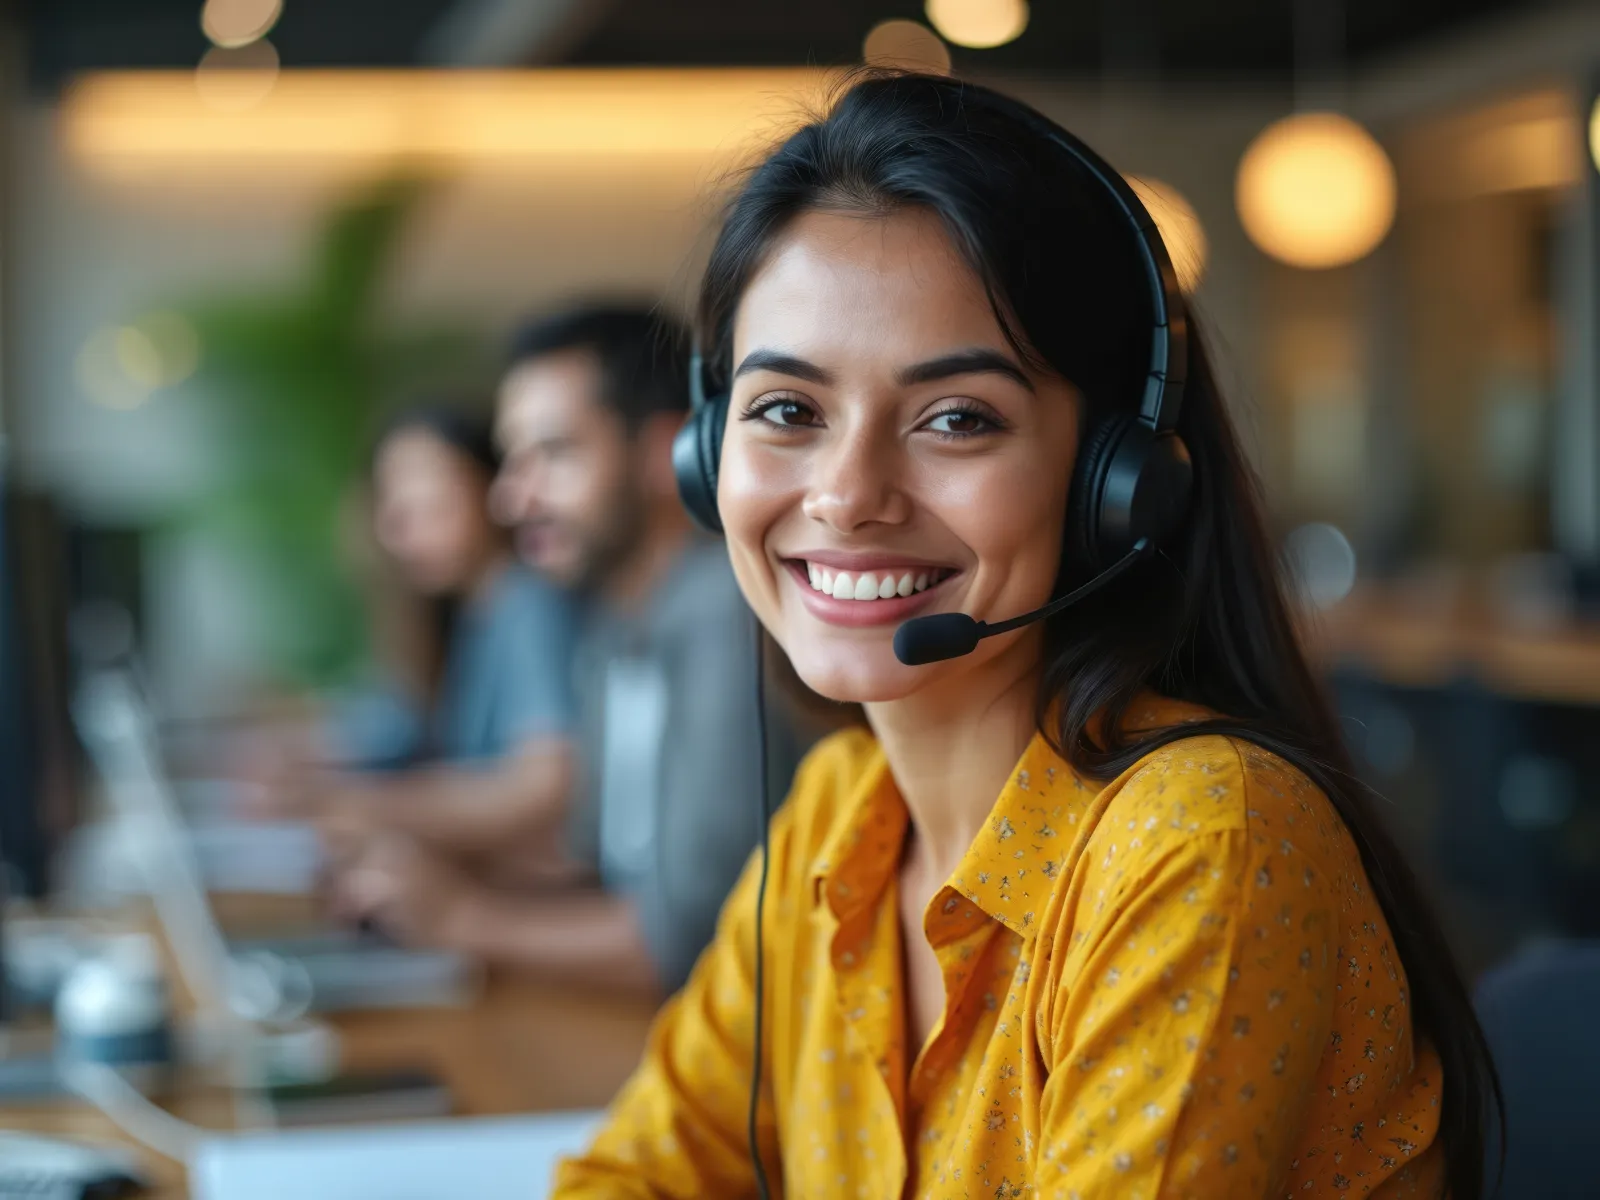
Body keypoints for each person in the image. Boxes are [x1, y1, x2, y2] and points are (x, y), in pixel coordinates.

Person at [553, 74, 1501, 1199]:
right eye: (787, 411)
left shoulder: (1198, 847)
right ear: (709, 460)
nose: (847, 496)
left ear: (1117, 482)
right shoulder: (840, 821)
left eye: (956, 418)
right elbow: (633, 1174)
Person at [333, 306, 809, 997]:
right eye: (512, 460)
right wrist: (420, 873)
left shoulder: (723, 615)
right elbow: (596, 866)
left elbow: (686, 943)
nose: (508, 497)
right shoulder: (615, 626)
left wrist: (464, 917)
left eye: (552, 455)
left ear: (663, 452)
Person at [251, 407, 580, 880]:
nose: (402, 521)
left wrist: (354, 802)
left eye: (431, 494)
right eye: (393, 498)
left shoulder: (528, 604)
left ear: (492, 484)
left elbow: (542, 785)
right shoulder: (467, 614)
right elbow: (391, 725)